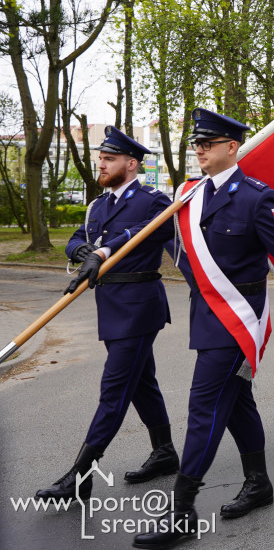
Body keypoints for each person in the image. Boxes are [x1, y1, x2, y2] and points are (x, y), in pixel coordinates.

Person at [134, 109, 274, 549]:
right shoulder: (189, 195)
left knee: (204, 408)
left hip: (237, 319)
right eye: (197, 143)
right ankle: (259, 482)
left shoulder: (255, 197)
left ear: (232, 148)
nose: (199, 150)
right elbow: (165, 240)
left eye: (208, 144)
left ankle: (182, 510)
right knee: (236, 404)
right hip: (206, 313)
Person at [36, 128, 178, 505]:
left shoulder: (153, 200)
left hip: (138, 306)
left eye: (109, 159)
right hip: (110, 305)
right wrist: (83, 251)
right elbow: (76, 238)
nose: (101, 163)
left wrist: (104, 252)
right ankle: (164, 451)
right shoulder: (98, 205)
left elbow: (145, 232)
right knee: (142, 381)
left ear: (131, 165)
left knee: (114, 390)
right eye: (101, 158)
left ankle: (79, 477)